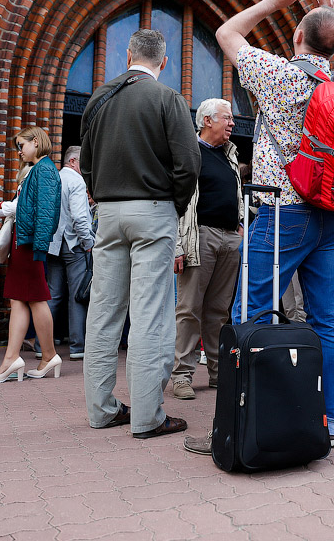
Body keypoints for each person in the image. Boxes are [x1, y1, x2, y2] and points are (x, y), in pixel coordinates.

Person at [183, 0, 334, 455]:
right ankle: (328, 421)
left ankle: (247, 420)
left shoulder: (280, 74)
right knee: (330, 320)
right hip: (330, 214)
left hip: (283, 210)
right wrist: (333, 15)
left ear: (297, 37)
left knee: (252, 312)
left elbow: (225, 34)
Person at [80, 29, 200, 438]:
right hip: (153, 210)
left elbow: (87, 163)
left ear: (127, 55)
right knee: (150, 314)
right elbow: (188, 163)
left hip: (108, 212)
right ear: (163, 62)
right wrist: (175, 205)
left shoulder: (98, 98)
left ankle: (101, 410)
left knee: (103, 314)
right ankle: (147, 417)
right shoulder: (167, 98)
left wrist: (101, 195)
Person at [0, 127, 62, 383]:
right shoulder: (39, 169)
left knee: (34, 298)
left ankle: (38, 357)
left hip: (29, 242)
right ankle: (21, 357)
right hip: (25, 241)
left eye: (22, 145)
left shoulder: (45, 170)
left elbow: (39, 209)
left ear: (36, 141)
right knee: (19, 298)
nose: (19, 150)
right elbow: (23, 208)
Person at [172, 98, 243, 400]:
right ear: (207, 121)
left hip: (229, 239)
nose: (232, 124)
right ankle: (182, 376)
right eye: (226, 118)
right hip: (200, 237)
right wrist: (177, 244)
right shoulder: (191, 153)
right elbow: (175, 200)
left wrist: (239, 222)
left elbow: (237, 192)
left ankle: (217, 373)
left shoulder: (229, 154)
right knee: (190, 309)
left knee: (218, 312)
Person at [39, 145, 95, 361]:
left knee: (52, 295)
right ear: (72, 161)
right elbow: (80, 219)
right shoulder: (76, 181)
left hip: (53, 244)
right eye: (84, 162)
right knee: (77, 296)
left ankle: (41, 346)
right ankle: (77, 346)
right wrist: (88, 242)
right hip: (73, 245)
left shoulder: (54, 178)